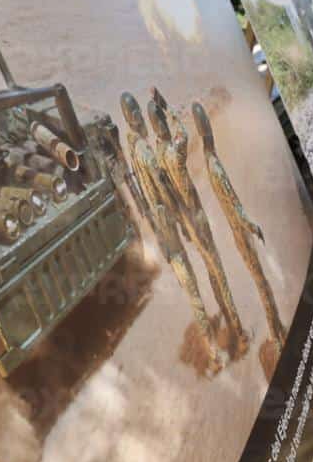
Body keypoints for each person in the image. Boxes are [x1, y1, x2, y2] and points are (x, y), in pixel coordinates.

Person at [121, 92, 225, 376]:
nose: (140, 119)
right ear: (133, 119)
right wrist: (183, 224)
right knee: (195, 282)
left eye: (139, 115)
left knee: (188, 286)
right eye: (136, 115)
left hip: (159, 226)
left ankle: (212, 344)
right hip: (168, 220)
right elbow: (164, 189)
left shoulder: (132, 148)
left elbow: (142, 193)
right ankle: (215, 351)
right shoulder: (146, 151)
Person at [147, 89, 249, 362]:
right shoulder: (174, 149)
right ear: (162, 126)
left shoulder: (156, 154)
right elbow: (182, 130)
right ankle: (238, 331)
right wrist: (166, 107)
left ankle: (224, 325)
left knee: (210, 272)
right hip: (198, 219)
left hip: (186, 222)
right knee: (219, 274)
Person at [191, 101, 288, 378]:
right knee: (263, 285)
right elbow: (235, 206)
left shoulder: (212, 162)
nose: (210, 131)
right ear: (206, 132)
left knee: (263, 285)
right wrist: (252, 225)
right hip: (240, 233)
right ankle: (276, 335)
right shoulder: (215, 166)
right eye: (207, 128)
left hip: (238, 233)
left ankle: (277, 329)